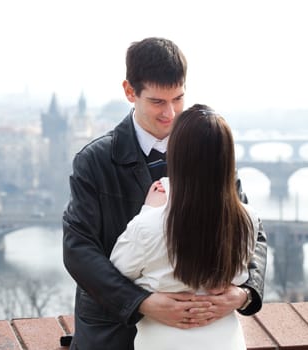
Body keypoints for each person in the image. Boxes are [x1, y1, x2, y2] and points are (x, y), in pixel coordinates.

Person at [62, 37, 267, 349]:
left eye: (178, 99)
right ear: (130, 92)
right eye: (158, 102)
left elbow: (246, 229)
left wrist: (245, 292)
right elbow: (79, 250)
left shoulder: (210, 151)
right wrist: (141, 302)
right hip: (113, 332)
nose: (170, 114)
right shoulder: (94, 161)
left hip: (200, 333)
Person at [110, 104, 261, 349]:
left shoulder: (150, 225)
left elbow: (116, 271)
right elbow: (242, 274)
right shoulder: (247, 219)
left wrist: (147, 210)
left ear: (176, 155)